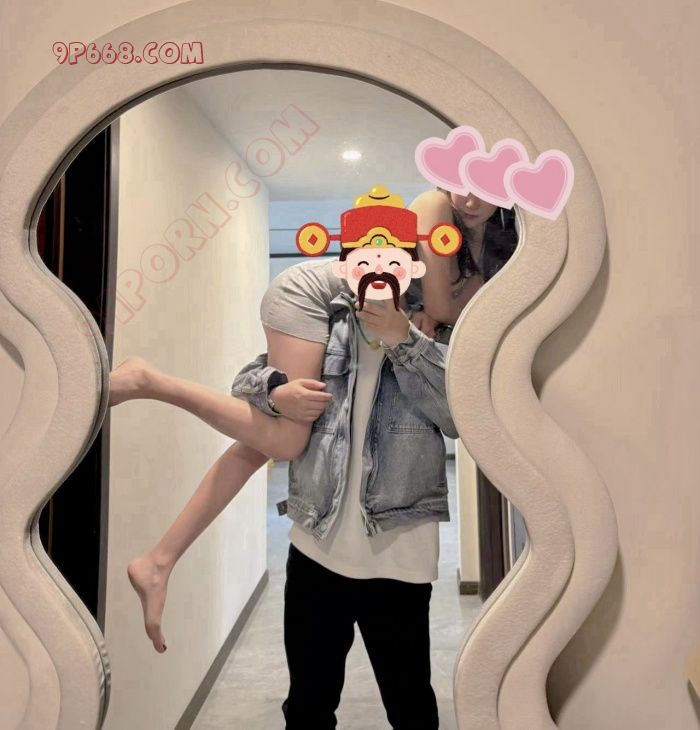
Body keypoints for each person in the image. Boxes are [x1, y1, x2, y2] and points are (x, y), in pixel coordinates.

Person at [109, 185, 517, 726]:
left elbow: (458, 419)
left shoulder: (435, 337)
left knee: (413, 709)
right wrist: (275, 391)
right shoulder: (328, 321)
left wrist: (405, 341)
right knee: (307, 707)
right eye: (365, 259)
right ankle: (159, 539)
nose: (379, 271)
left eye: (394, 259)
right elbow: (252, 379)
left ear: (415, 267)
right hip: (316, 551)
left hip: (401, 559)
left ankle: (152, 403)